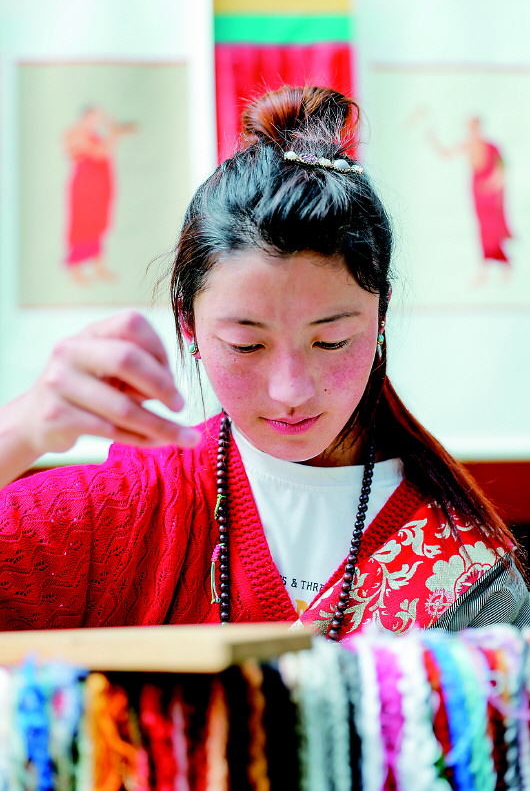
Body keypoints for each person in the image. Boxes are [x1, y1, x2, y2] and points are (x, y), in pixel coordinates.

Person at [0, 86, 528, 639]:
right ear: (189, 324)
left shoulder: (469, 573)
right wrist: (22, 429)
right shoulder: (130, 511)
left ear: (381, 316)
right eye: (246, 345)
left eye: (332, 341)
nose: (290, 391)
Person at [427, 116, 512, 285]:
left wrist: (494, 183)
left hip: (490, 193)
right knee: (482, 229)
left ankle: (505, 264)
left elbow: (502, 168)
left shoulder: (492, 146)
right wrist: (432, 137)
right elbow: (446, 153)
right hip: (477, 191)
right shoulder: (467, 144)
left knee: (492, 228)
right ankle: (485, 269)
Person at [63, 106, 136, 284]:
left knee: (96, 226)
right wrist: (115, 133)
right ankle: (75, 269)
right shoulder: (75, 134)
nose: (97, 121)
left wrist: (113, 127)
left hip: (98, 188)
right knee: (81, 226)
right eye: (94, 117)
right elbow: (99, 153)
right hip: (84, 188)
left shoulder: (94, 135)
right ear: (85, 117)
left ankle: (98, 265)